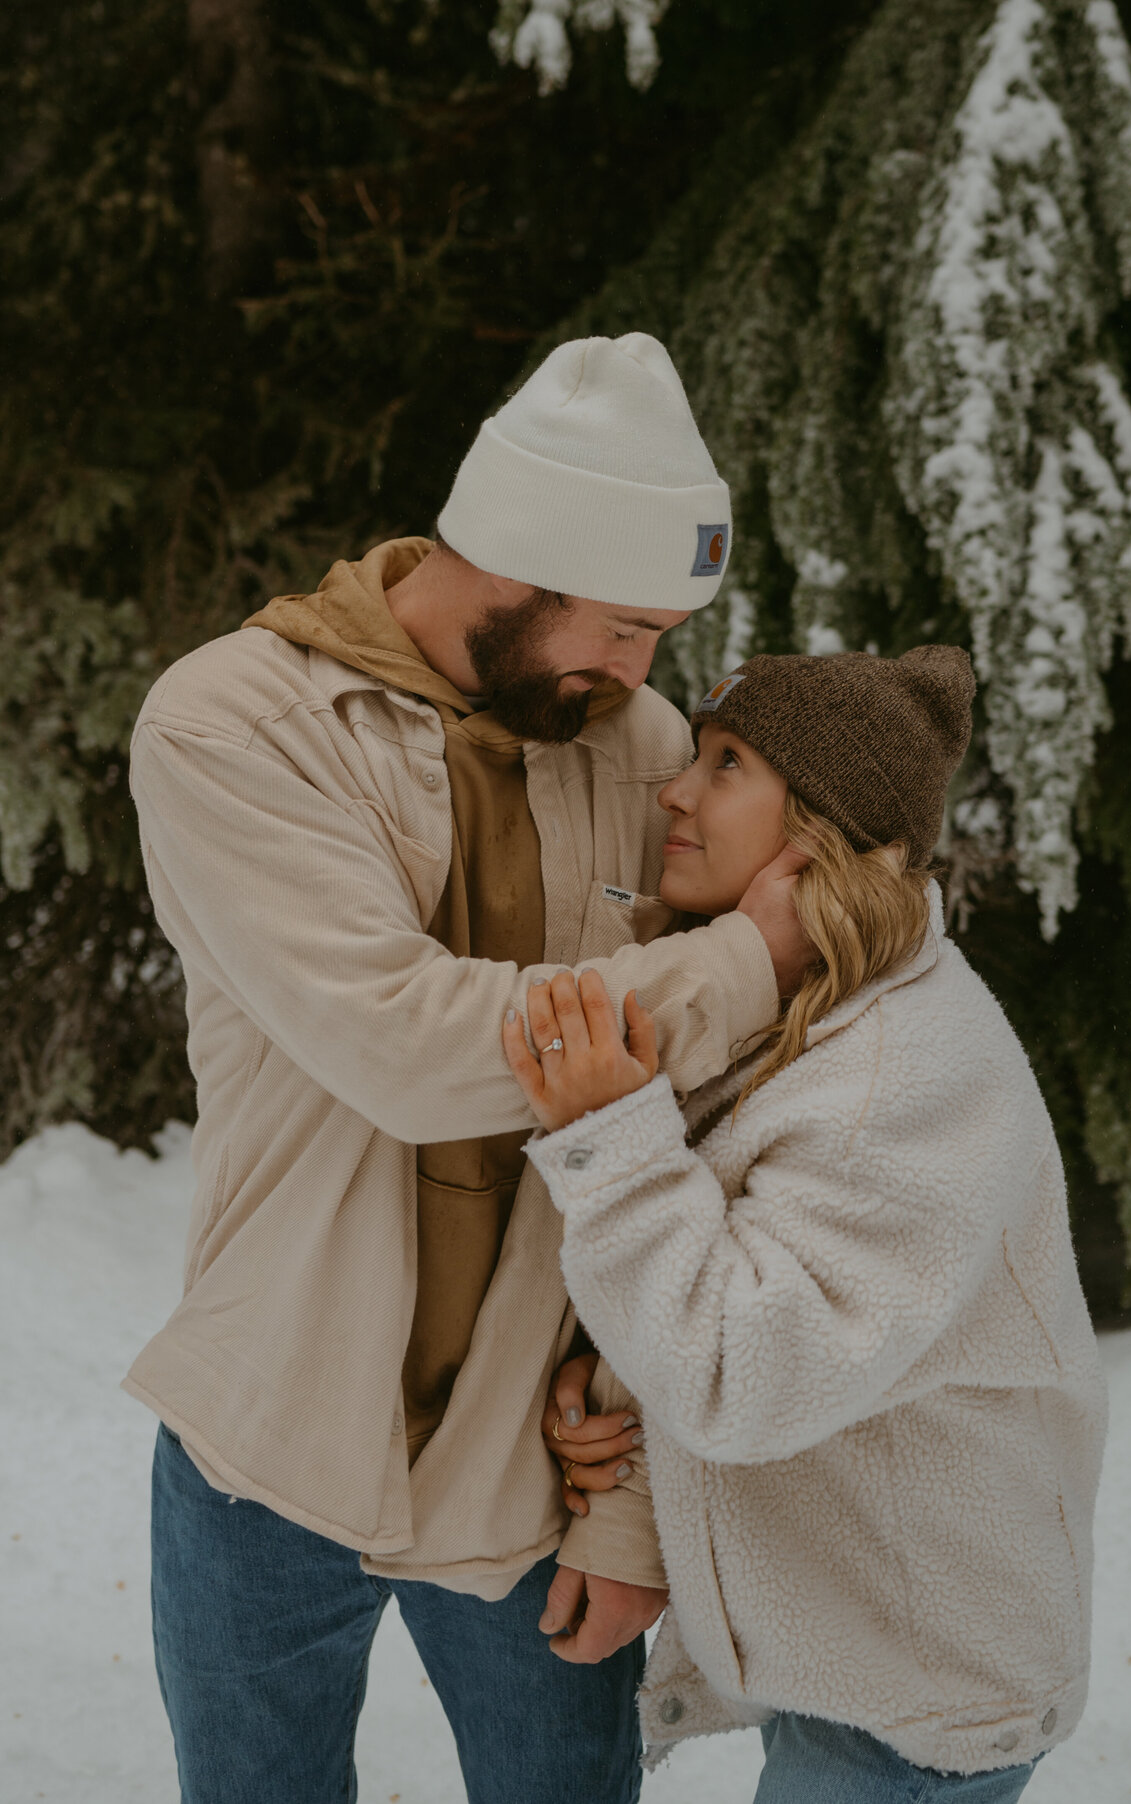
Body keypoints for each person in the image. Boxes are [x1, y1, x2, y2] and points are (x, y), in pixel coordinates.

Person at [122, 333, 813, 1804]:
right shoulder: (231, 724)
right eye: (624, 626)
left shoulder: (640, 745)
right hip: (268, 1447)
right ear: (515, 559)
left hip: (533, 1471)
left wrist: (627, 1506)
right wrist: (736, 965)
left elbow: (703, 1135)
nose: (643, 674)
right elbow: (407, 1044)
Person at [504, 647, 1108, 1804]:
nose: (676, 791)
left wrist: (611, 1136)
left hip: (919, 1692)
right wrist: (617, 1402)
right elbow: (760, 1284)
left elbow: (744, 1372)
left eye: (728, 763)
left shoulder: (898, 1075)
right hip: (862, 1644)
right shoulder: (814, 1009)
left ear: (822, 824)